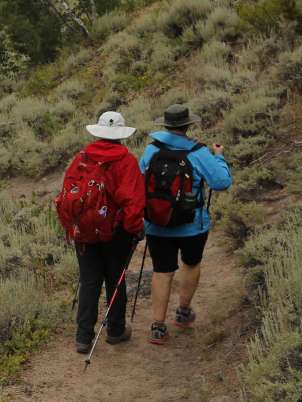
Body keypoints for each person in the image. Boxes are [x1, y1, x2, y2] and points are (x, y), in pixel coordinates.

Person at [139, 104, 231, 345]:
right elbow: (221, 183)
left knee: (162, 270)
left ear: (166, 125)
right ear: (188, 125)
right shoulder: (199, 152)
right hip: (193, 226)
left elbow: (139, 181)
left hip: (157, 224)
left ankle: (157, 327)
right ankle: (183, 311)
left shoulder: (151, 150)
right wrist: (219, 158)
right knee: (191, 264)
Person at [59, 111, 146, 354]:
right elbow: (133, 202)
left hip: (84, 231)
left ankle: (83, 336)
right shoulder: (126, 162)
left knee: (89, 281)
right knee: (115, 280)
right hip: (115, 233)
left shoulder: (82, 158)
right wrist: (134, 229)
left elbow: (69, 193)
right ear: (120, 135)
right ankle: (116, 331)